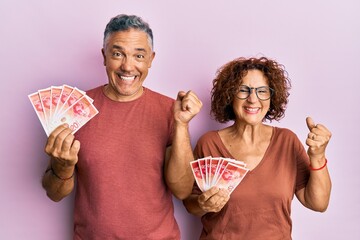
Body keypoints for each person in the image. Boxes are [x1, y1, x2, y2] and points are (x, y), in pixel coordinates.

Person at [42, 14, 202, 239]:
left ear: (151, 59)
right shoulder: (75, 109)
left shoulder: (171, 111)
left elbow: (183, 190)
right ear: (104, 56)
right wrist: (62, 166)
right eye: (117, 54)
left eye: (139, 55)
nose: (128, 66)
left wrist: (182, 125)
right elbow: (54, 193)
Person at [183, 56, 332, 239]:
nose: (253, 99)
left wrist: (318, 156)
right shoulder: (209, 143)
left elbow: (318, 203)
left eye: (262, 91)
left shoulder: (287, 141)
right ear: (230, 95)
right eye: (243, 90)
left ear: (272, 96)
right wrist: (202, 204)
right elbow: (190, 205)